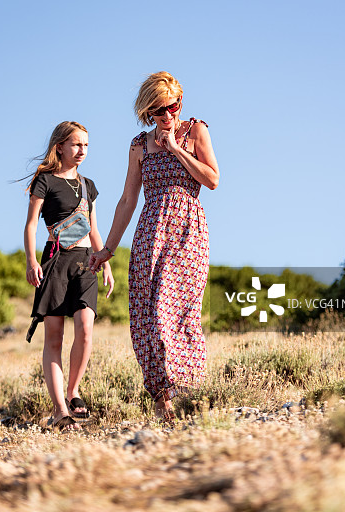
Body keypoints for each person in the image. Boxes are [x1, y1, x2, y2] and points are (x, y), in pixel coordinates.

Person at [89, 72, 219, 420]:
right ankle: (164, 405)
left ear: (180, 101)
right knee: (147, 316)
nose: (166, 115)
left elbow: (213, 179)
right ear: (148, 111)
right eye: (157, 110)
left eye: (171, 107)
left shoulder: (196, 131)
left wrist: (176, 150)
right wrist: (108, 249)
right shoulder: (138, 145)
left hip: (187, 230)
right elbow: (128, 199)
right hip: (150, 232)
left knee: (175, 312)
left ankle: (191, 391)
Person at [24, 121, 114, 430]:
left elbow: (94, 227)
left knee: (86, 328)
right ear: (60, 146)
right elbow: (31, 225)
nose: (82, 151)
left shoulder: (88, 185)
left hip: (86, 261)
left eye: (86, 146)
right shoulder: (45, 181)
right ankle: (60, 410)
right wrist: (31, 260)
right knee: (54, 337)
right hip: (55, 261)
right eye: (76, 145)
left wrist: (105, 261)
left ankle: (73, 391)